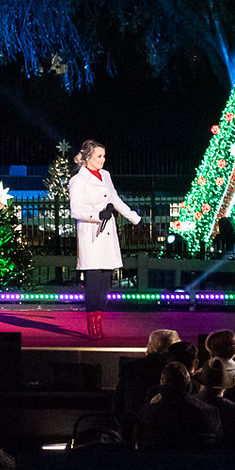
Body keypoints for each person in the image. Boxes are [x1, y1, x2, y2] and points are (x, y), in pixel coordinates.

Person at [66, 140, 140, 341]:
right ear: (88, 157)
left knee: (106, 283)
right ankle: (93, 326)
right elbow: (76, 210)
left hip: (107, 235)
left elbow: (115, 199)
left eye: (104, 156)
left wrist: (134, 218)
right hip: (91, 235)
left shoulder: (105, 176)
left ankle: (100, 321)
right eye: (99, 156)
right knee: (93, 283)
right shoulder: (78, 181)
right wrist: (98, 214)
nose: (102, 160)